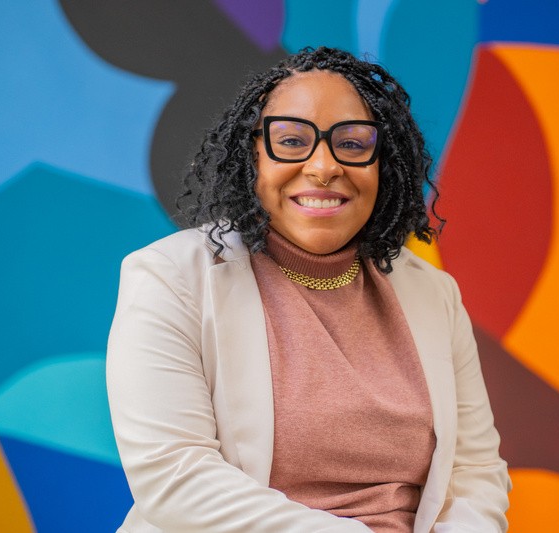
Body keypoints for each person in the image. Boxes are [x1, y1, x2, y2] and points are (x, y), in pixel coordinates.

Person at [106, 46, 511, 532]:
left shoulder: (435, 295)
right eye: (293, 141)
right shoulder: (170, 278)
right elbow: (173, 477)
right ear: (253, 154)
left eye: (354, 144)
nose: (323, 167)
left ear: (383, 163)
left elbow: (475, 472)